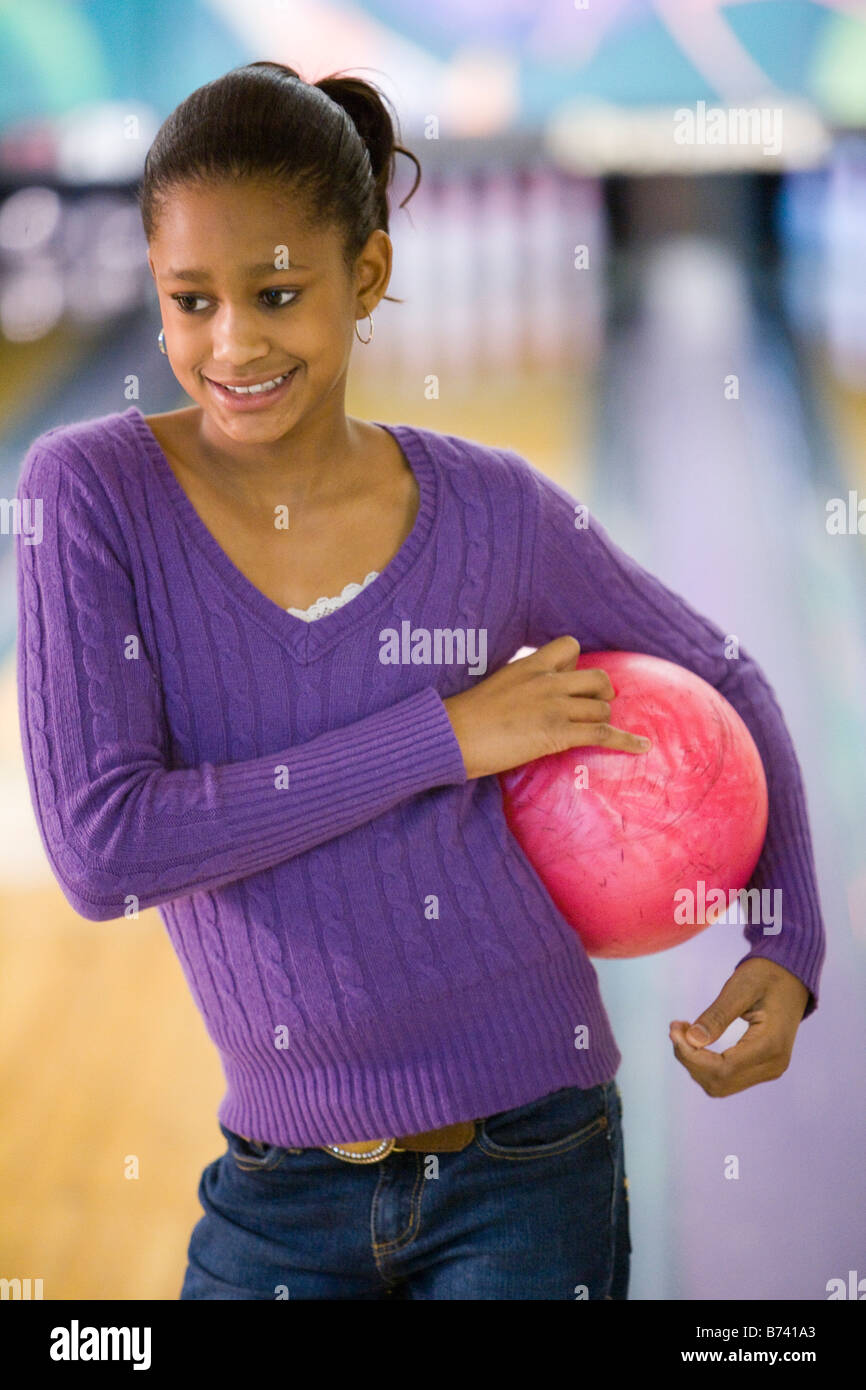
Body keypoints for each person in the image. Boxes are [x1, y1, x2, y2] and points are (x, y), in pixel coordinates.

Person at [15, 61, 825, 1301]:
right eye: (190, 300)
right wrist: (442, 737)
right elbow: (104, 848)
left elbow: (723, 671)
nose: (231, 343)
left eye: (277, 292)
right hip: (275, 1191)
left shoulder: (492, 510)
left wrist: (786, 933)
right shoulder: (90, 498)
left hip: (530, 1159)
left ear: (368, 277)